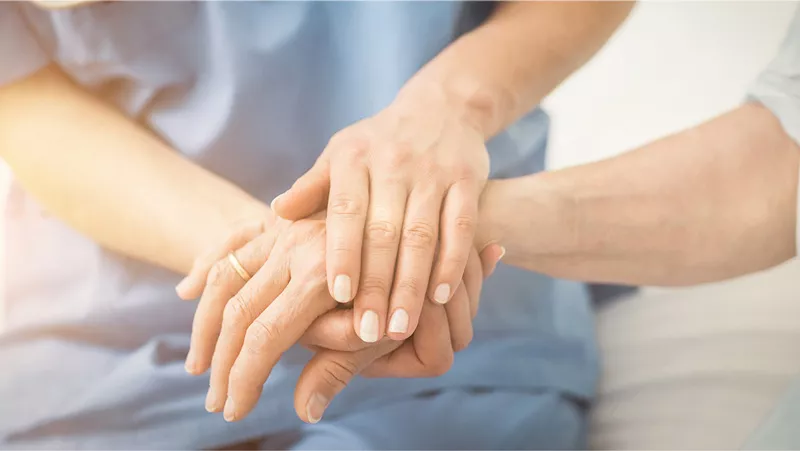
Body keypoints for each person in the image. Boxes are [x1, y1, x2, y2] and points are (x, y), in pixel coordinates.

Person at [0, 2, 633, 449]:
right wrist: (280, 258)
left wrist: (445, 109)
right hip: (104, 316)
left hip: (441, 304)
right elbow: (25, 99)